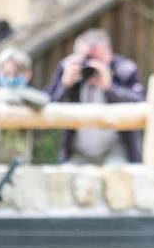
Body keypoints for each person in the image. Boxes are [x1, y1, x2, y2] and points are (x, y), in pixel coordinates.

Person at [44, 29, 145, 165]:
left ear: (108, 55)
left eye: (97, 59)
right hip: (78, 152)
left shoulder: (124, 69)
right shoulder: (68, 68)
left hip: (115, 151)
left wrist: (110, 88)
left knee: (118, 177)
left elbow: (141, 103)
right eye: (87, 59)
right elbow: (45, 101)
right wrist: (64, 85)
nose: (91, 65)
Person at [0, 47, 49, 165]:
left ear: (28, 74)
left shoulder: (25, 95)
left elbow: (43, 100)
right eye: (6, 74)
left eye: (17, 73)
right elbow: (1, 98)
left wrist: (17, 93)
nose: (11, 78)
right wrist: (22, 98)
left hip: (21, 161)